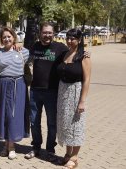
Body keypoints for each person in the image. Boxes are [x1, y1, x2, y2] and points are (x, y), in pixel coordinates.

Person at [25, 23, 69, 161]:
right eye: (45, 32)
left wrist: (84, 52)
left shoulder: (60, 48)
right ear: (40, 33)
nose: (47, 35)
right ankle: (36, 147)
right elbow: (24, 57)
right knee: (34, 121)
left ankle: (50, 149)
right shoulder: (34, 46)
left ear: (53, 33)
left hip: (52, 92)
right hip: (35, 91)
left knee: (51, 123)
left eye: (50, 32)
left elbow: (74, 55)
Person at [0, 27, 30, 160]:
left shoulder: (23, 52)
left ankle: (11, 146)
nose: (6, 39)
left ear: (14, 37)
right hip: (1, 86)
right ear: (1, 39)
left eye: (9, 36)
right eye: (4, 37)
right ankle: (6, 145)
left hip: (18, 86)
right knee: (4, 116)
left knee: (14, 116)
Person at [56, 29, 91, 169]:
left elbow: (87, 79)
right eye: (68, 38)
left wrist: (82, 100)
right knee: (66, 123)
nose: (70, 41)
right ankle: (68, 153)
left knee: (76, 125)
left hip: (76, 92)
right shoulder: (64, 54)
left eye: (73, 38)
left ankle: (75, 157)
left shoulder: (84, 56)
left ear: (79, 40)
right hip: (63, 92)